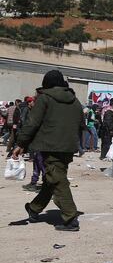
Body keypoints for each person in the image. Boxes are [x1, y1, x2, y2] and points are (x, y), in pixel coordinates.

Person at [13, 70, 84, 231]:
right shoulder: (75, 100)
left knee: (57, 180)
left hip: (50, 146)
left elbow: (32, 123)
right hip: (68, 147)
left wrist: (21, 144)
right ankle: (34, 208)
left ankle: (70, 217)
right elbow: (81, 123)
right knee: (52, 178)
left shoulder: (44, 98)